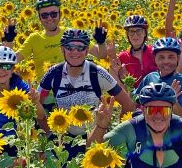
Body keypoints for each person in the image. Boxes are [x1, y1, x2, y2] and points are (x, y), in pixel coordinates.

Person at [39, 29, 135, 158]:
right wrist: (48, 132)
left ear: (86, 50)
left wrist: (117, 129)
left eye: (80, 47)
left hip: (94, 135)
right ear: (62, 50)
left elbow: (127, 104)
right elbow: (36, 105)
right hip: (63, 137)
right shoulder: (53, 73)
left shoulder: (97, 72)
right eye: (70, 47)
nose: (75, 52)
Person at [136, 37, 182, 119]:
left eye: (171, 57)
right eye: (161, 57)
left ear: (178, 59)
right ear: (155, 59)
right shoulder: (149, 78)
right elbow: (136, 104)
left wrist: (172, 100)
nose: (166, 61)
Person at [4, 0, 67, 72]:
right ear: (39, 18)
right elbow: (11, 61)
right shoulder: (34, 39)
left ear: (60, 14)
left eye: (53, 14)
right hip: (43, 84)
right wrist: (9, 40)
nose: (50, 18)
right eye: (44, 15)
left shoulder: (70, 34)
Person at [114, 15, 157, 87]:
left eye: (139, 31)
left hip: (158, 94)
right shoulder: (122, 57)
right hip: (134, 96)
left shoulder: (155, 52)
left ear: (145, 33)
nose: (135, 35)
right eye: (131, 32)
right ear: (127, 34)